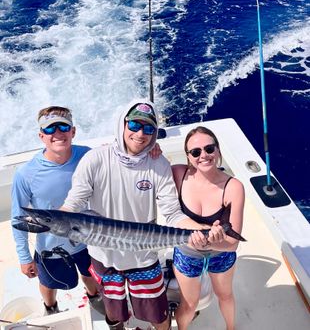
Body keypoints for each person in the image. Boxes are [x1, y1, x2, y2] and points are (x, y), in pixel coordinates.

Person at [61, 100, 225, 330]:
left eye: (148, 129)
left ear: (155, 133)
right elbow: (73, 203)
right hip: (104, 257)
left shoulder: (158, 164)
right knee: (113, 310)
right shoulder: (95, 159)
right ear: (122, 124)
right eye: (135, 125)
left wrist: (202, 230)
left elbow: (172, 213)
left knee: (157, 314)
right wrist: (58, 218)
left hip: (143, 257)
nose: (140, 134)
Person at [11, 106, 105, 315]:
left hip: (88, 239)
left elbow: (122, 156)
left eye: (63, 126)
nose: (58, 133)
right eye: (50, 129)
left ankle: (94, 295)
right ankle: (50, 307)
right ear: (41, 136)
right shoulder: (25, 174)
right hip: (51, 247)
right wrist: (25, 257)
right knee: (49, 283)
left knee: (90, 274)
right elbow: (18, 218)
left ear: (73, 131)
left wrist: (152, 148)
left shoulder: (88, 156)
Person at [171, 126, 245, 330]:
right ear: (188, 156)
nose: (203, 155)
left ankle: (231, 328)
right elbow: (147, 168)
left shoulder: (234, 187)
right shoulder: (178, 173)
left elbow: (232, 244)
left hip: (220, 254)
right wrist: (153, 150)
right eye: (195, 152)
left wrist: (212, 241)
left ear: (218, 150)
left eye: (209, 149)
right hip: (187, 253)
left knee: (225, 296)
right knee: (189, 304)